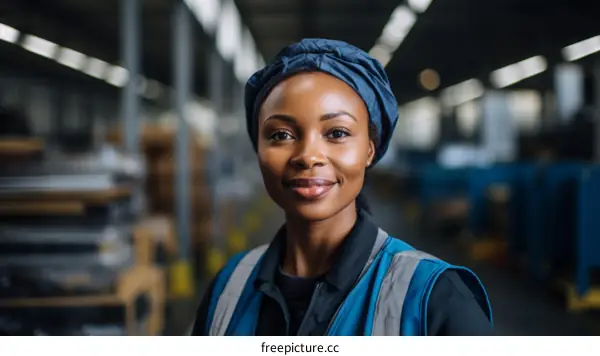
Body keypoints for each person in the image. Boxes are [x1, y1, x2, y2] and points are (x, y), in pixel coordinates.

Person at [191, 38, 493, 336]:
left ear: (369, 150)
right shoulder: (228, 288)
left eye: (337, 132)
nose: (308, 156)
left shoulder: (436, 300)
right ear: (258, 148)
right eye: (281, 135)